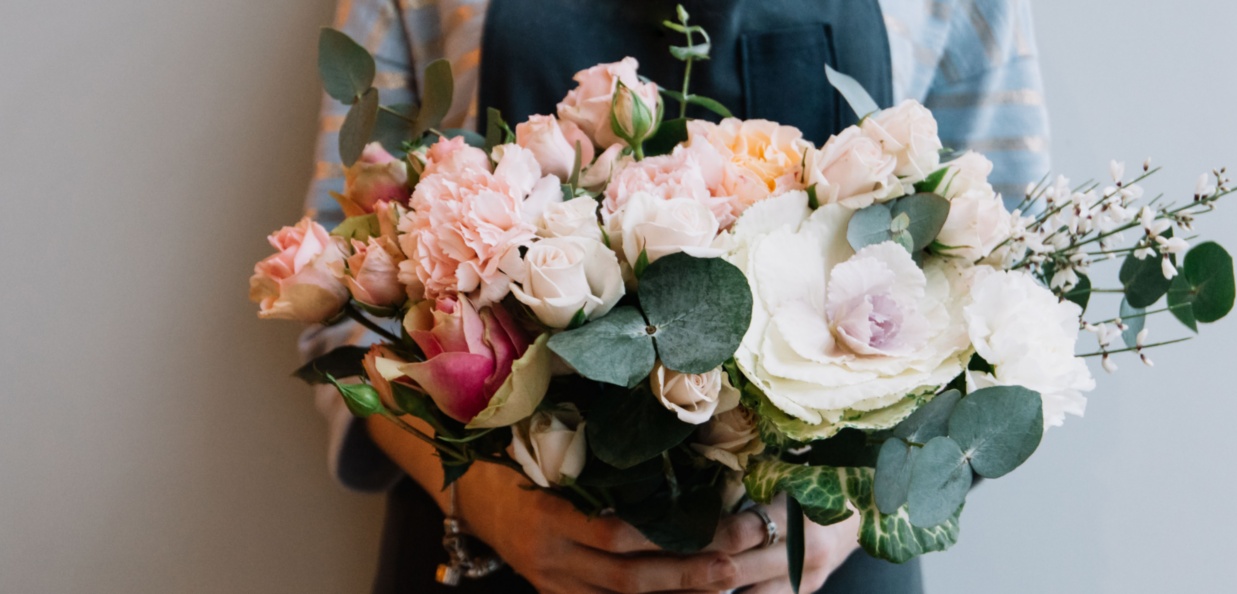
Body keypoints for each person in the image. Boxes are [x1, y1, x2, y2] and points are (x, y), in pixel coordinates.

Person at [302, 1, 1049, 592]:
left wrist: (858, 510)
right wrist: (482, 503)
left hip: (822, 568)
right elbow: (346, 303)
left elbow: (1015, 291)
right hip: (496, 562)